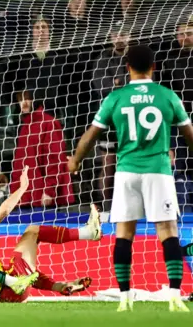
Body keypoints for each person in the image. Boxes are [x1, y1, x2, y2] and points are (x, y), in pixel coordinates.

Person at [69, 45, 193, 312]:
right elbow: (188, 133)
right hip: (158, 171)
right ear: (154, 67)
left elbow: (91, 135)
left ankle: (124, 297)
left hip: (126, 172)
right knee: (168, 232)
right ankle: (174, 294)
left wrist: (75, 160)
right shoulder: (167, 96)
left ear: (127, 68)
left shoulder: (117, 97)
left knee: (124, 235)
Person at [0, 196, 102, 302]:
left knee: (19, 270)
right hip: (10, 291)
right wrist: (23, 186)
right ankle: (89, 232)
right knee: (32, 231)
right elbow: (4, 210)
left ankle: (61, 286)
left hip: (2, 297)